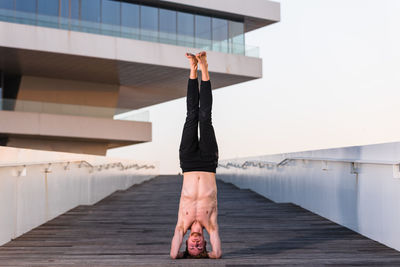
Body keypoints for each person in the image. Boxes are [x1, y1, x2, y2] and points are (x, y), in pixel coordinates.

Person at [169, 51, 221, 259]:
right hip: (209, 163)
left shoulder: (182, 222)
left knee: (192, 116)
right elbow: (217, 254)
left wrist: (181, 255)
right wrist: (208, 256)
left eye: (192, 247)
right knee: (205, 117)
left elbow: (173, 255)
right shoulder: (211, 223)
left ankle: (192, 68)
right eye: (200, 247)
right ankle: (205, 68)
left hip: (188, 162)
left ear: (186, 242)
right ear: (205, 243)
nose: (196, 244)